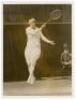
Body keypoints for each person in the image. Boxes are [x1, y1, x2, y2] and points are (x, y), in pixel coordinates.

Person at [24, 18, 55, 84]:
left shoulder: (38, 29)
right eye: (30, 23)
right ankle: (32, 77)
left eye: (33, 22)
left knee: (33, 62)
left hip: (36, 49)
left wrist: (49, 41)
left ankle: (29, 77)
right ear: (29, 24)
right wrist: (41, 27)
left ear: (35, 23)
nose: (32, 24)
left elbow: (42, 37)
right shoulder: (27, 29)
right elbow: (33, 33)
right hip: (28, 49)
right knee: (29, 64)